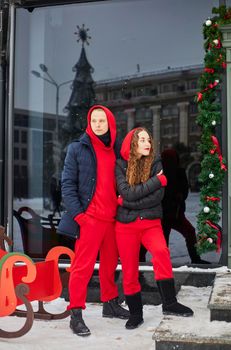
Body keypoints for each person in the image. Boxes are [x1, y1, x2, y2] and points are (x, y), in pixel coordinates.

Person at [60, 105, 129, 337]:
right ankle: (76, 313)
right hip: (89, 218)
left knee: (110, 265)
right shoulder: (77, 149)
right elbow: (67, 185)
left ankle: (110, 304)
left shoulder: (117, 150)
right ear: (89, 124)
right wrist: (80, 215)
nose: (98, 125)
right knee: (82, 267)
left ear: (110, 123)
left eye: (102, 121)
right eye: (94, 121)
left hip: (112, 219)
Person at [115, 127, 193, 330]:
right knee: (130, 269)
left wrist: (127, 200)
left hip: (150, 223)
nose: (147, 143)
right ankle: (135, 313)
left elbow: (156, 196)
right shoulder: (120, 165)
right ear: (132, 143)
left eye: (148, 139)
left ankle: (169, 303)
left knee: (161, 252)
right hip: (126, 227)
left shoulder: (156, 162)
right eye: (141, 140)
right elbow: (127, 192)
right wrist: (156, 181)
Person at [161, 148, 209, 264]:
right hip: (165, 215)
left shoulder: (178, 172)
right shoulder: (161, 172)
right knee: (163, 241)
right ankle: (162, 263)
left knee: (189, 232)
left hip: (175, 214)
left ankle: (195, 259)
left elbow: (184, 191)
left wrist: (179, 196)